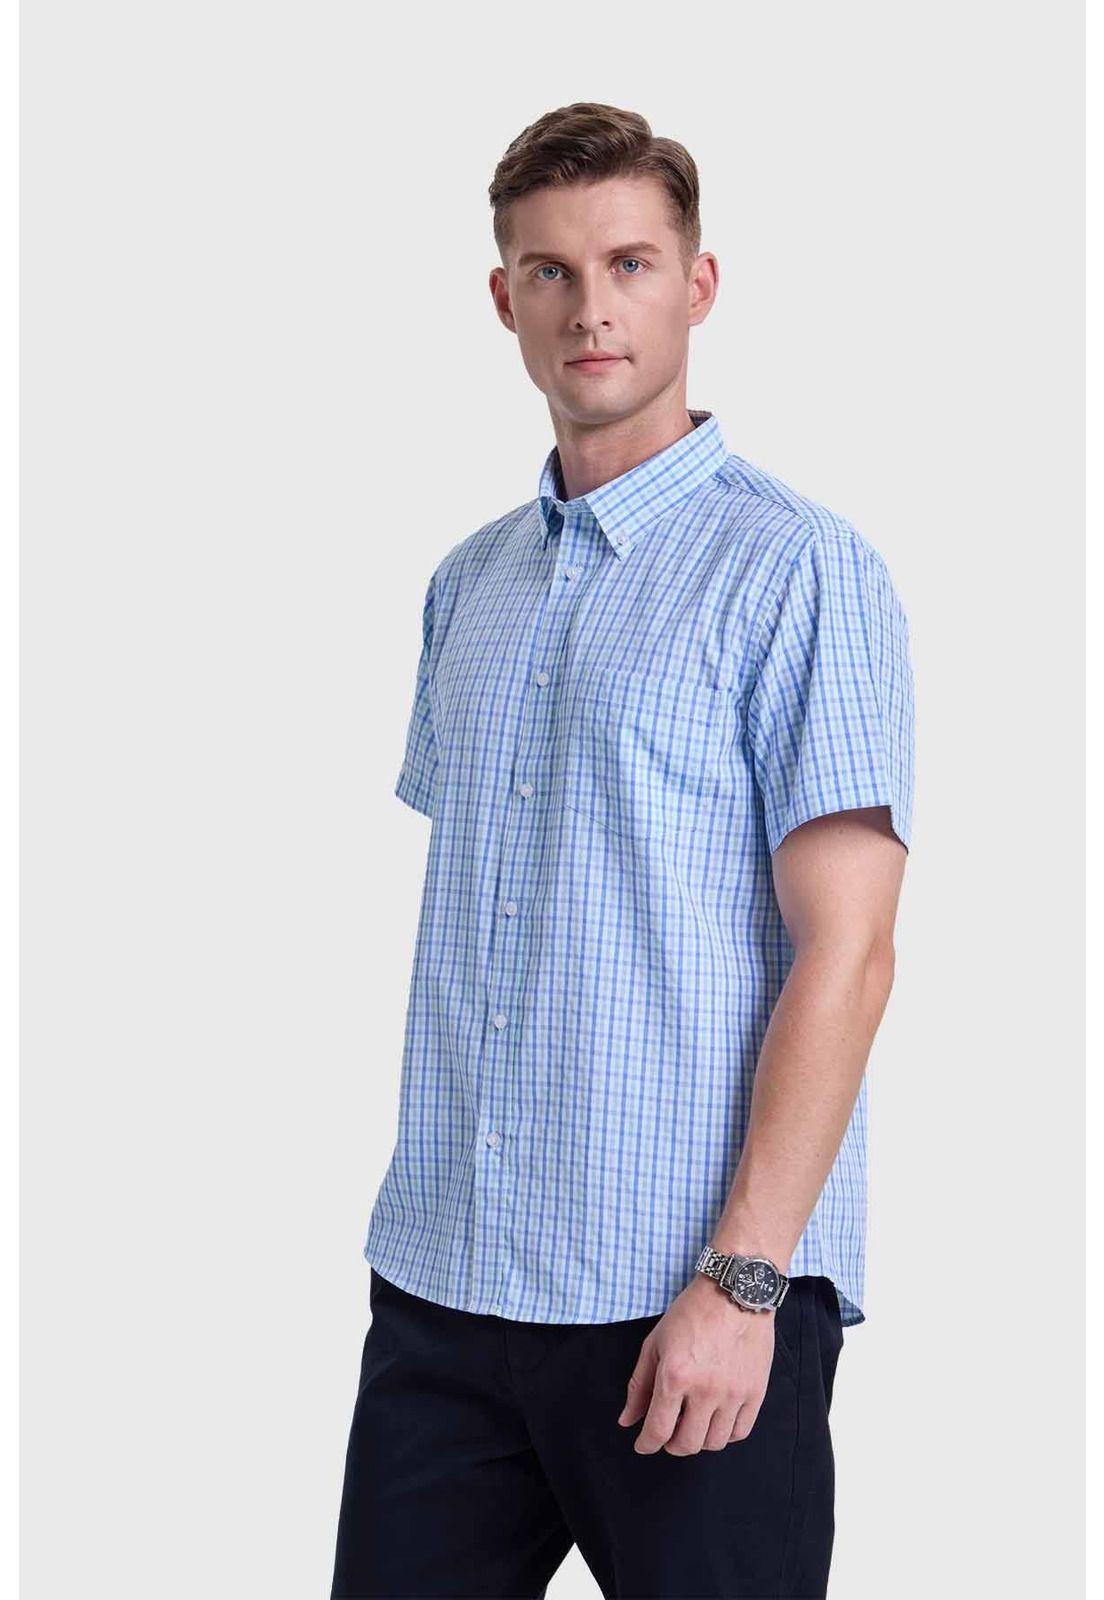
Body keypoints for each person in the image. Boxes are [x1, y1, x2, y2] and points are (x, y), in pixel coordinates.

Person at [330, 100, 914, 1600]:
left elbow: (850, 954)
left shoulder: (801, 571)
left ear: (697, 286)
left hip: (685, 1301)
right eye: (552, 269)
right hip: (446, 1293)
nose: (591, 306)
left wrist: (742, 1281)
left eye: (631, 264)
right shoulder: (469, 587)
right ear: (505, 299)